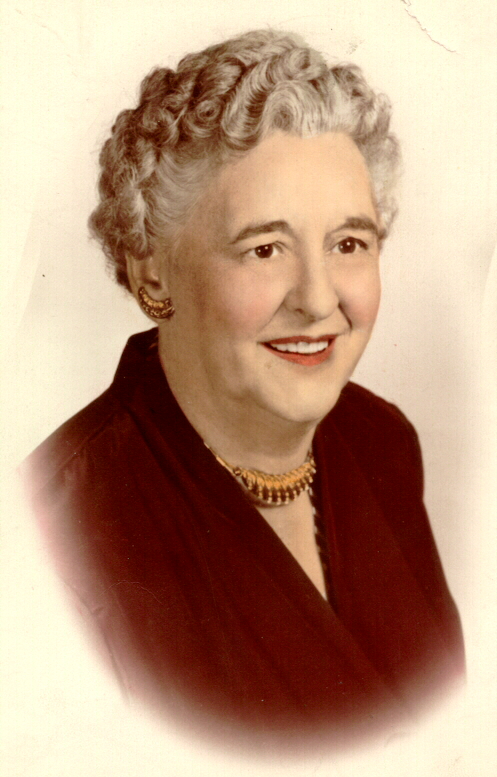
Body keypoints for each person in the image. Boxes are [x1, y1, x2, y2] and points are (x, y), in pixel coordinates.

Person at [22, 30, 464, 751]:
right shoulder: (54, 533)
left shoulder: (381, 440)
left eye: (348, 243)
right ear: (151, 270)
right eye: (264, 248)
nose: (318, 300)